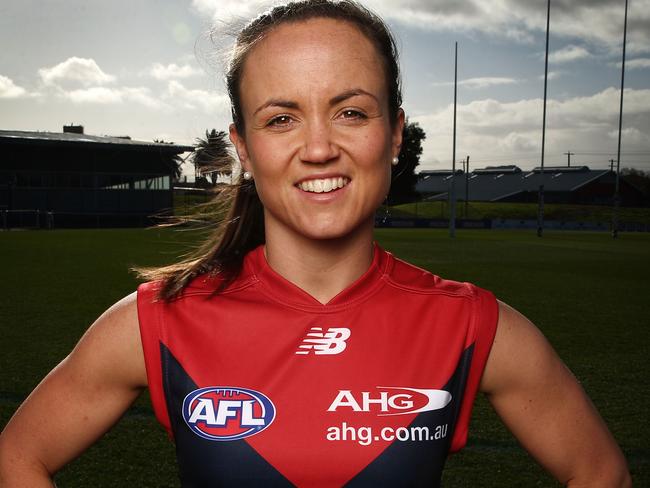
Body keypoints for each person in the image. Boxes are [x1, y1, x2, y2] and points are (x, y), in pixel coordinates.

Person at [0, 1, 632, 486]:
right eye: (281, 118)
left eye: (351, 112)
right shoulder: (159, 320)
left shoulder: (473, 324)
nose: (319, 147)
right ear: (244, 148)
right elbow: (17, 457)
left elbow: (602, 473)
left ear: (394, 135)